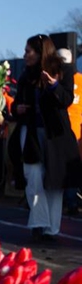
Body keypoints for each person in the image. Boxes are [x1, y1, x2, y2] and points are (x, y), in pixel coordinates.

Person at [8, 34, 81, 242]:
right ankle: (39, 222)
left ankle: (51, 228)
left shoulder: (63, 70)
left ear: (40, 52)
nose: (25, 55)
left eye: (28, 51)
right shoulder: (26, 75)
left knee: (54, 182)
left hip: (55, 135)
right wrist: (17, 108)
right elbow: (16, 103)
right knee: (33, 175)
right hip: (31, 132)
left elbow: (66, 100)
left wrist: (52, 86)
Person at [58, 48, 82, 215]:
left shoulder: (57, 79)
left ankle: (66, 200)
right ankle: (72, 201)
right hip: (77, 129)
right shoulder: (80, 80)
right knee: (73, 167)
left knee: (60, 167)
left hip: (62, 128)